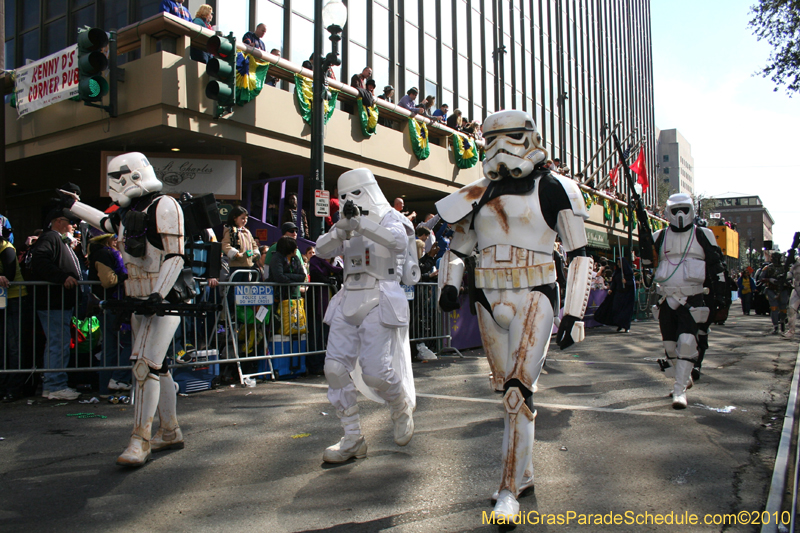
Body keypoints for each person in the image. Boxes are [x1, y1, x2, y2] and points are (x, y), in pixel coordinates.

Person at [436, 110, 594, 521]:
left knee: (516, 393)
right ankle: (522, 473)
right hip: (488, 297)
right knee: (507, 394)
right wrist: (449, 285)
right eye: (491, 139)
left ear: (530, 139)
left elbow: (579, 253)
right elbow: (458, 248)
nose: (500, 148)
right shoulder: (477, 193)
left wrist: (574, 313)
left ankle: (508, 489)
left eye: (510, 137)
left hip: (535, 292)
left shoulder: (554, 187)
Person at [65, 152, 197, 466]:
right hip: (140, 299)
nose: (114, 187)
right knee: (157, 367)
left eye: (117, 180)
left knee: (143, 365)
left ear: (133, 176)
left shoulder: (165, 205)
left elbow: (175, 256)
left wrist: (158, 295)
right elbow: (104, 222)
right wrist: (73, 205)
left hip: (164, 299)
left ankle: (140, 438)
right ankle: (170, 430)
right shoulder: (131, 212)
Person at [315, 168, 419, 463]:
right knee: (334, 369)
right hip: (349, 296)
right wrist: (341, 229)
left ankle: (400, 406)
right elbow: (321, 250)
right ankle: (352, 437)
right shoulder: (346, 224)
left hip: (380, 295)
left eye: (356, 192)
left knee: (375, 372)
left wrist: (361, 224)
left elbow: (397, 241)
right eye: (345, 195)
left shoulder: (390, 217)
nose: (351, 199)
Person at [651, 193, 726, 409]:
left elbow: (717, 267)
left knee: (686, 343)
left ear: (691, 210)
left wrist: (720, 298)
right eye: (675, 210)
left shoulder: (703, 234)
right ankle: (683, 378)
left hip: (692, 297)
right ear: (668, 212)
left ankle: (679, 390)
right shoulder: (658, 236)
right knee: (669, 347)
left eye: (684, 209)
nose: (680, 215)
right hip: (666, 298)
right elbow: (648, 264)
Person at [30, 209, 83, 401]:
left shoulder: (57, 239)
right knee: (58, 343)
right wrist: (61, 277)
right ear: (58, 222)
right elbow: (40, 261)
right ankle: (55, 385)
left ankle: (53, 385)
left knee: (57, 342)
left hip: (58, 302)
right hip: (54, 302)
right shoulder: (50, 237)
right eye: (70, 221)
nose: (74, 225)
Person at [88, 233, 133, 392]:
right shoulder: (104, 254)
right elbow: (108, 281)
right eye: (115, 238)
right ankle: (118, 379)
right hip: (112, 306)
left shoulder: (106, 253)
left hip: (111, 306)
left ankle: (106, 390)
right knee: (131, 344)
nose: (119, 241)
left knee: (110, 349)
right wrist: (126, 276)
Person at [0, 220, 28, 402]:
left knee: (13, 345)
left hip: (13, 299)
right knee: (5, 345)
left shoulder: (6, 248)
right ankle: (4, 386)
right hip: (3, 301)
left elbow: (8, 275)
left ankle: (14, 388)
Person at [594, 257, 635, 332]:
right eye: (618, 262)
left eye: (620, 263)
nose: (618, 264)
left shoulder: (628, 272)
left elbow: (632, 283)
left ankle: (626, 326)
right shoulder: (617, 273)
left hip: (626, 295)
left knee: (625, 311)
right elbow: (614, 282)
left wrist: (626, 282)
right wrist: (611, 289)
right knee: (616, 309)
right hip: (618, 294)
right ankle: (619, 324)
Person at [760, 252, 791, 334]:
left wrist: (787, 281)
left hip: (783, 289)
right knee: (774, 308)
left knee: (783, 307)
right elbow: (761, 278)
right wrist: (769, 279)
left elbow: (791, 277)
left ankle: (783, 320)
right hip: (772, 289)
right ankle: (775, 326)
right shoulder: (768, 268)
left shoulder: (785, 268)